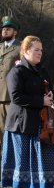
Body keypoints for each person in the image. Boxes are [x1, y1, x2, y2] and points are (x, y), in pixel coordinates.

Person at [1, 35, 54, 188]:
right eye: (36, 50)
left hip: (37, 123)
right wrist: (42, 101)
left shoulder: (42, 71)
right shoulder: (16, 72)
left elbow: (51, 92)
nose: (40, 53)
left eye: (41, 50)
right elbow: (16, 97)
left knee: (31, 162)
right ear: (25, 51)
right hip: (20, 124)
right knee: (20, 161)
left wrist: (52, 96)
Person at [0, 16, 21, 163]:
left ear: (15, 32)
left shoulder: (20, 48)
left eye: (8, 28)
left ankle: (12, 165)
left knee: (11, 132)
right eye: (3, 28)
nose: (4, 30)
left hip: (10, 97)